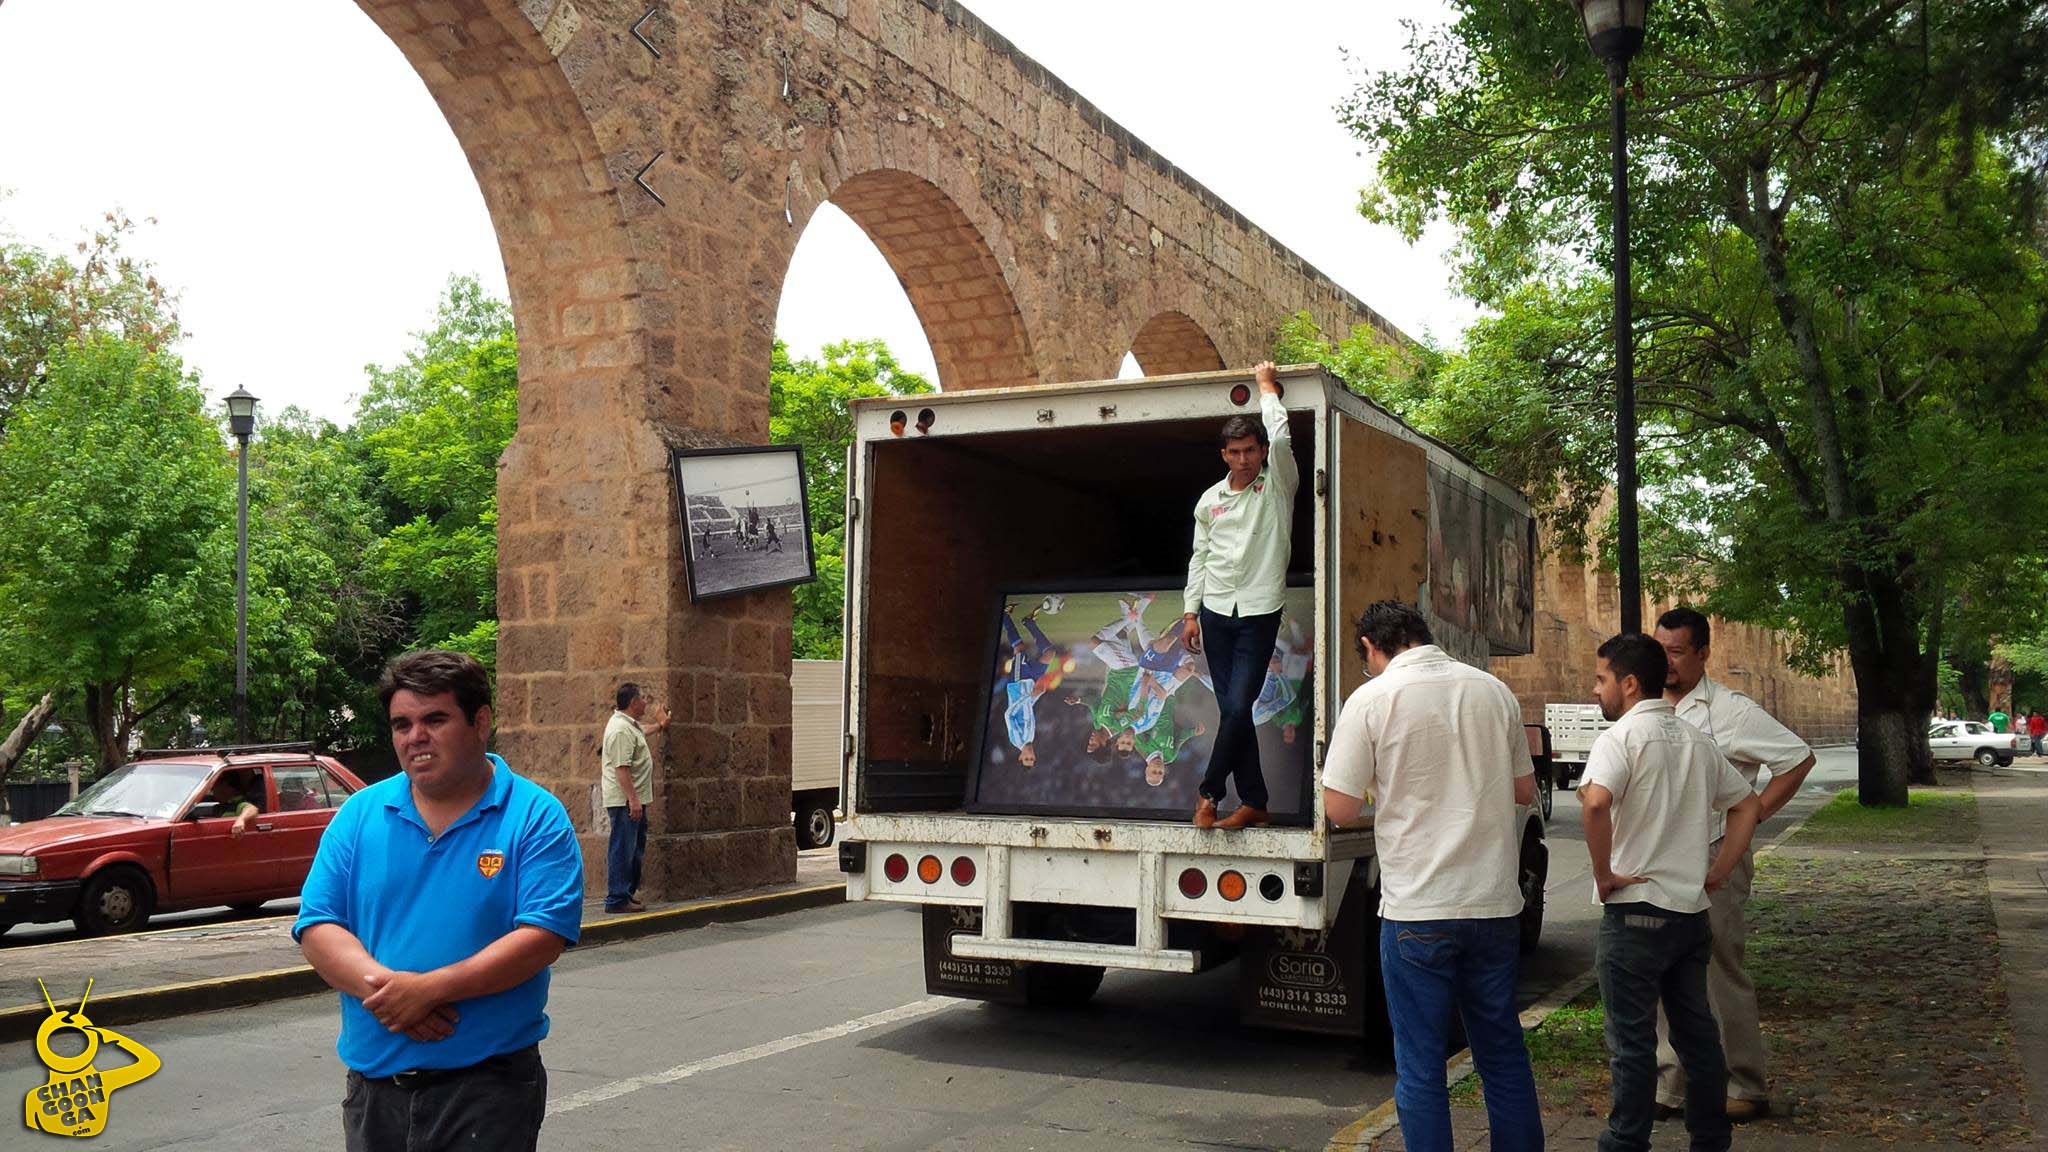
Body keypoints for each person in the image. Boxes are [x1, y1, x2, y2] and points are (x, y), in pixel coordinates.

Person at [294, 649, 584, 1152]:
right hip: (374, 1087)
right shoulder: (359, 815)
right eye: (401, 724)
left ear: (481, 722)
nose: (415, 737)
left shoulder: (535, 817)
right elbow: (319, 924)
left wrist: (432, 989)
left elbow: (542, 935)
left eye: (435, 719)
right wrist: (392, 993)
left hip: (487, 1091)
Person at [1322, 601, 1542, 1152]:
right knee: (1501, 1054)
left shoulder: (1372, 698)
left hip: (1418, 908)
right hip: (1493, 905)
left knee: (1421, 1065)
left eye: (1366, 659)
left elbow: (1339, 808)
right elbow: (1523, 791)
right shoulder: (1494, 692)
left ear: (1373, 646)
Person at [1580, 633, 1762, 1152]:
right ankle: (1709, 1140)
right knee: (1697, 1035)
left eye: (1601, 679)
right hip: (1688, 915)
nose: (1597, 691)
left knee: (1632, 1043)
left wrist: (1602, 874)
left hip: (1634, 913)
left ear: (1630, 683)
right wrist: (1719, 869)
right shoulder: (1698, 742)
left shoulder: (1620, 739)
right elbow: (1745, 805)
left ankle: (1626, 1141)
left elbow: (1595, 803)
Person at [1652, 607, 1815, 1121]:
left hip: (1714, 852)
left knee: (1720, 969)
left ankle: (1744, 1084)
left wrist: (1754, 816)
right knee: (1661, 969)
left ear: (1703, 653)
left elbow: (1797, 757)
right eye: (1662, 652)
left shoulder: (1730, 711)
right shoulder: (1648, 706)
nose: (1669, 662)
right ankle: (1668, 1085)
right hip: (1661, 856)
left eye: (1678, 652)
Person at [1184, 360, 1299, 830]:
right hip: (1214, 612)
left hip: (1259, 611)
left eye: (1251, 450)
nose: (1244, 460)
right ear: (1224, 454)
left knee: (1236, 706)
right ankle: (1255, 800)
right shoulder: (1209, 500)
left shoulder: (1276, 485)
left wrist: (1266, 389)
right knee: (1234, 710)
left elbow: (1285, 440)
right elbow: (1200, 557)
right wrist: (1190, 613)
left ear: (1262, 450)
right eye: (1235, 452)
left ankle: (1209, 792)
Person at [603, 683, 670, 914]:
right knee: (624, 847)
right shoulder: (620, 730)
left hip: (633, 799)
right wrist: (632, 800)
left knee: (633, 847)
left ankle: (625, 894)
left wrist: (660, 725)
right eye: (642, 698)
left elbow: (642, 730)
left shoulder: (628, 726)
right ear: (633, 703)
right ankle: (617, 898)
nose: (645, 702)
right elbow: (622, 768)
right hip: (626, 801)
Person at [206, 770, 262, 839]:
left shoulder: (238, 803)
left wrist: (240, 820)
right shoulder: (221, 806)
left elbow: (252, 809)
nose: (213, 792)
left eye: (215, 789)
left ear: (227, 790)